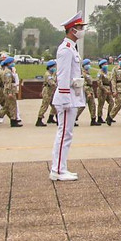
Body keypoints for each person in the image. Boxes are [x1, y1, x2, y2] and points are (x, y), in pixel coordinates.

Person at [50, 13, 87, 181]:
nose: (82, 30)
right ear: (72, 30)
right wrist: (65, 98)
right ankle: (57, 170)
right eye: (80, 28)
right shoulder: (66, 49)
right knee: (64, 134)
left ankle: (61, 167)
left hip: (72, 95)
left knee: (67, 134)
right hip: (67, 97)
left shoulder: (71, 48)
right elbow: (63, 75)